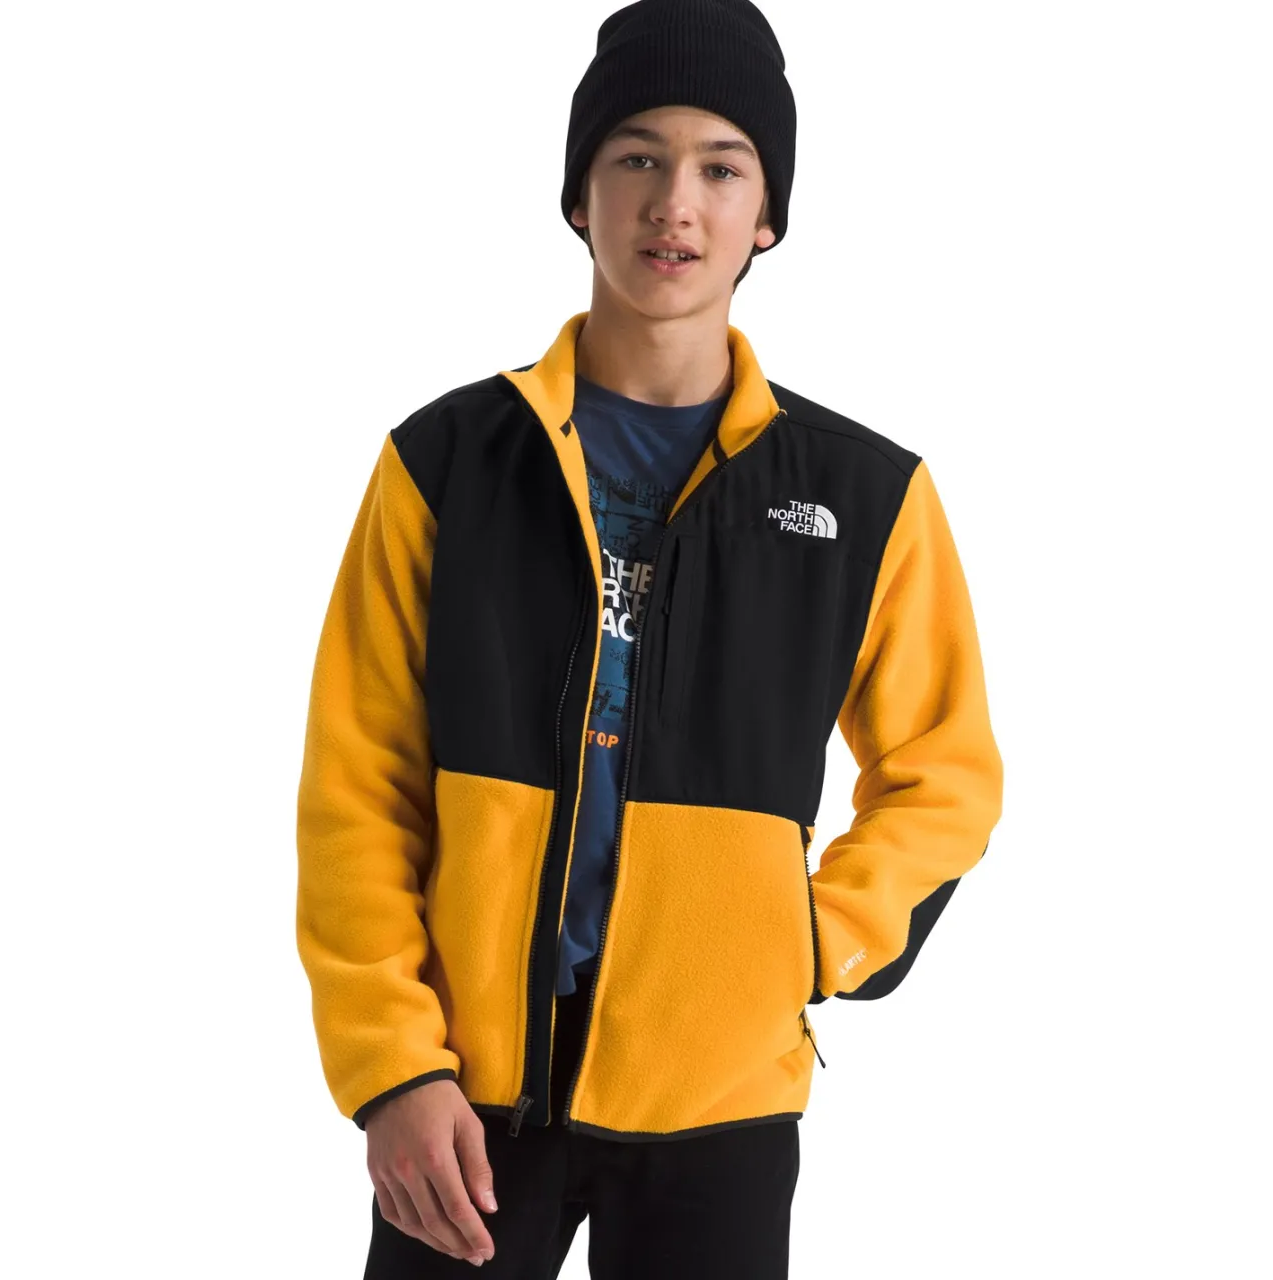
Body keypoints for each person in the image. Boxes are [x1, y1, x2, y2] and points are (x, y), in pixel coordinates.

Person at [294, 1, 1005, 1275]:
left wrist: (807, 936)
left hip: (718, 1101)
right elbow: (359, 787)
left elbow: (942, 775)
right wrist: (391, 1065)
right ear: (579, 195)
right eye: (636, 156)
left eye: (720, 167)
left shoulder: (864, 498)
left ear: (766, 214)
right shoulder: (446, 463)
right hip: (465, 1090)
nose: (674, 202)